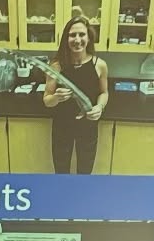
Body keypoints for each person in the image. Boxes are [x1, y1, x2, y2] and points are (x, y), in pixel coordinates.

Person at [43, 16, 109, 175]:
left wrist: (100, 106)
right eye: (72, 35)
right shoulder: (56, 66)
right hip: (62, 126)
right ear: (66, 38)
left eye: (82, 34)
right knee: (61, 170)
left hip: (88, 126)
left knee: (85, 171)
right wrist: (56, 98)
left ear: (88, 37)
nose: (77, 39)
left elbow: (104, 93)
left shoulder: (99, 65)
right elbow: (47, 99)